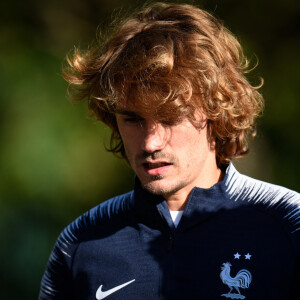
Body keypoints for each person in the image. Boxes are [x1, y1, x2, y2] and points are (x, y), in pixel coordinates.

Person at [39, 2, 300, 299]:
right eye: (133, 119)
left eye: (171, 117)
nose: (151, 143)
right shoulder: (81, 242)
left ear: (216, 110)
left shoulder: (289, 223)